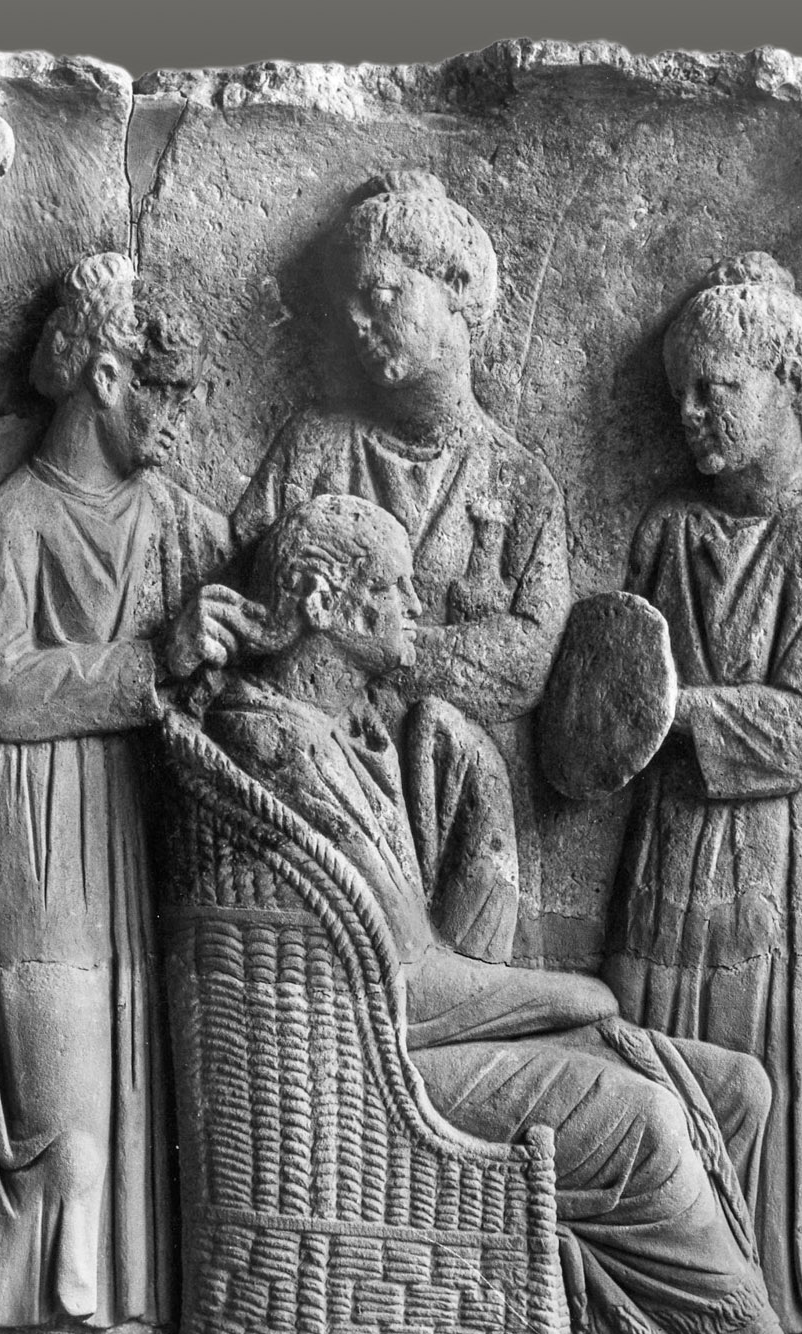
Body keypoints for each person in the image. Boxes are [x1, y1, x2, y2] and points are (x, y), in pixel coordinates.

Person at [202, 492, 802, 1334]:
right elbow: (408, 986)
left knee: (736, 1088)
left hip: (411, 1029)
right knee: (643, 1119)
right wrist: (571, 995)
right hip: (371, 1074)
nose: (415, 606)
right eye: (393, 588)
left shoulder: (342, 730)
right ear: (325, 604)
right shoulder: (280, 748)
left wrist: (448, 767)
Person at [0, 252, 264, 1334]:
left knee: (130, 1093)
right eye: (163, 390)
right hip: (26, 824)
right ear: (105, 375)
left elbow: (247, 593)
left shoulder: (166, 513)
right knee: (46, 1119)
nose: (178, 416)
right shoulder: (11, 522)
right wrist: (151, 658)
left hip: (117, 825)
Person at [603, 254, 802, 1334]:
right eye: (681, 393)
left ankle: (763, 1317)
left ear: (784, 382)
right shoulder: (667, 528)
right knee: (658, 1056)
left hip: (777, 852)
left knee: (767, 1070)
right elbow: (615, 673)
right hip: (670, 842)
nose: (691, 412)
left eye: (716, 387)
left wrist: (675, 712)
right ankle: (663, 1305)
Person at [235, 171, 570, 963]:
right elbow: (253, 594)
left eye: (380, 294)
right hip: (321, 791)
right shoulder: (314, 448)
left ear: (454, 287)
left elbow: (528, 659)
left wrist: (376, 645)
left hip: (455, 797)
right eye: (347, 302)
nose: (359, 320)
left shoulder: (519, 483)